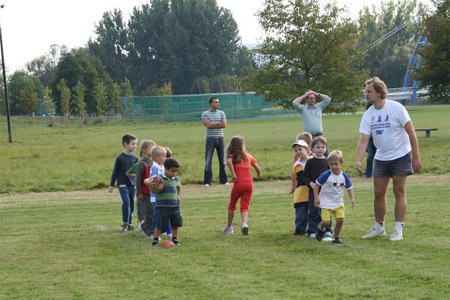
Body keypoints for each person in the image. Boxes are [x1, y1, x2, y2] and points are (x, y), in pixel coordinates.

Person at [355, 77, 422, 241]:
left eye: (369, 91)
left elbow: (411, 132)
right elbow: (363, 139)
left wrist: (416, 157)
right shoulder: (368, 114)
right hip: (382, 157)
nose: (366, 94)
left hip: (401, 155)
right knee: (378, 193)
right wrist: (358, 160)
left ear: (379, 92)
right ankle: (379, 227)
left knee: (399, 191)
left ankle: (398, 229)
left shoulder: (396, 108)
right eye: (365, 91)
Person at [314, 150, 355, 244]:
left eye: (336, 164)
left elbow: (349, 188)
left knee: (340, 220)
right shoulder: (326, 175)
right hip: (325, 202)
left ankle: (336, 238)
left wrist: (352, 198)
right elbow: (316, 185)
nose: (334, 166)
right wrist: (316, 198)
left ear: (341, 163)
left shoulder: (344, 176)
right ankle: (321, 227)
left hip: (338, 203)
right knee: (326, 222)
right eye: (331, 164)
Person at [222, 136, 261, 235]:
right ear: (242, 146)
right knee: (245, 205)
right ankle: (244, 224)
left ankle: (229, 227)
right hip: (249, 183)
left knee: (232, 204)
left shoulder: (232, 157)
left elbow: (229, 162)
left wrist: (234, 174)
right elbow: (258, 169)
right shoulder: (248, 156)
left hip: (239, 183)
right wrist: (258, 175)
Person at [303, 136, 332, 239]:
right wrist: (311, 183)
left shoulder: (328, 161)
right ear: (312, 149)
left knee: (327, 211)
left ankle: (328, 230)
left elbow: (332, 175)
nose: (320, 149)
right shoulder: (310, 162)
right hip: (313, 193)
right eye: (318, 147)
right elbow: (305, 176)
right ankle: (312, 230)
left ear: (326, 148)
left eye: (323, 147)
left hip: (326, 192)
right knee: (313, 212)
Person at [109, 134, 139, 232]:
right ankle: (125, 224)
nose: (135, 146)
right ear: (125, 144)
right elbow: (115, 172)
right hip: (122, 184)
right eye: (133, 144)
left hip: (132, 184)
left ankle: (130, 224)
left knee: (131, 203)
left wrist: (135, 176)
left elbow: (137, 172)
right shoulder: (120, 158)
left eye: (136, 144)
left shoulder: (135, 158)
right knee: (126, 202)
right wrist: (111, 185)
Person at [151, 158, 183, 246]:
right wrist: (151, 184)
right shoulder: (159, 178)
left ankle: (175, 238)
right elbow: (150, 184)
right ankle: (155, 239)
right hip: (162, 206)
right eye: (173, 171)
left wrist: (179, 197)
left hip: (174, 206)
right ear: (166, 169)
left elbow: (179, 187)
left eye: (176, 171)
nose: (175, 173)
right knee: (160, 224)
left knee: (175, 223)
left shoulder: (176, 179)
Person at [147, 146, 172, 239]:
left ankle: (168, 231)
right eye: (163, 156)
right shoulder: (154, 168)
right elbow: (154, 181)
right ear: (156, 157)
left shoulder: (162, 166)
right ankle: (154, 233)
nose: (165, 158)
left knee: (167, 212)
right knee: (158, 214)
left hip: (164, 196)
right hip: (156, 197)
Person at [202, 97, 229, 186]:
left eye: (218, 102)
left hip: (220, 138)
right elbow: (207, 125)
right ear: (211, 104)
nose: (218, 104)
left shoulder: (222, 113)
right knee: (208, 161)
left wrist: (213, 124)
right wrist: (218, 124)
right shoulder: (205, 113)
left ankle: (224, 180)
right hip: (210, 139)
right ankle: (207, 181)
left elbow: (224, 125)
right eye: (216, 102)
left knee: (222, 160)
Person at [135, 139, 156, 237]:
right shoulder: (141, 164)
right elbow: (138, 180)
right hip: (146, 193)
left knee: (154, 212)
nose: (153, 150)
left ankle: (153, 228)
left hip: (154, 192)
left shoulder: (154, 163)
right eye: (151, 148)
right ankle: (148, 232)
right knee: (149, 213)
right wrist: (139, 193)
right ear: (144, 150)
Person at [291, 140, 310, 236]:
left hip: (311, 191)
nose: (298, 152)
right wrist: (293, 187)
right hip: (300, 191)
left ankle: (313, 229)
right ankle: (299, 230)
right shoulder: (296, 165)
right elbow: (294, 177)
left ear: (306, 149)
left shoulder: (312, 161)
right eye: (296, 150)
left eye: (300, 149)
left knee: (313, 212)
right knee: (300, 211)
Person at [364, 103, 377, 178]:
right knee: (370, 155)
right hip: (370, 138)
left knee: (381, 155)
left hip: (378, 137)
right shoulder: (366, 116)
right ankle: (368, 174)